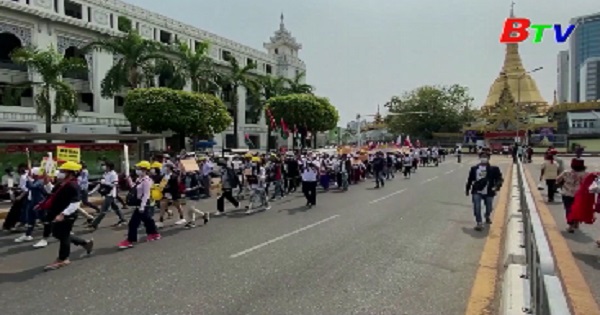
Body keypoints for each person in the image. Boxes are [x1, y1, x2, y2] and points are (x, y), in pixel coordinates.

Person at [41, 161, 94, 271]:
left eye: (62, 171)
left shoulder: (73, 185)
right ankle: (84, 243)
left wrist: (63, 214)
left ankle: (63, 259)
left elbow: (75, 203)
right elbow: (52, 193)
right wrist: (46, 183)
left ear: (70, 173)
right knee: (58, 233)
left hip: (67, 215)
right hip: (57, 213)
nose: (59, 173)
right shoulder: (62, 183)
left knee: (63, 235)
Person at [117, 161, 160, 249]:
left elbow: (146, 194)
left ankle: (130, 240)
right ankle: (154, 233)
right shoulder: (139, 179)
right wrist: (129, 180)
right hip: (139, 203)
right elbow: (135, 187)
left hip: (144, 203)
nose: (137, 170)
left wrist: (142, 206)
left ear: (144, 170)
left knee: (133, 223)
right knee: (147, 220)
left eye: (139, 169)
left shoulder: (147, 181)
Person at [465, 152, 503, 231]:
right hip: (477, 190)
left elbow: (499, 179)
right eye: (482, 156)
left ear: (489, 158)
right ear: (479, 157)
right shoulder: (474, 168)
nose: (484, 158)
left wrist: (496, 186)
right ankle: (479, 223)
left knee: (489, 207)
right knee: (477, 207)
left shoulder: (494, 169)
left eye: (485, 157)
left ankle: (487, 215)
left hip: (489, 191)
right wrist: (467, 189)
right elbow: (470, 180)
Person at [556, 158, 588, 233]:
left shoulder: (566, 172)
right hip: (579, 195)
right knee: (577, 209)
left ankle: (571, 226)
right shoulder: (585, 174)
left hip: (567, 193)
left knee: (568, 209)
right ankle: (576, 223)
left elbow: (558, 180)